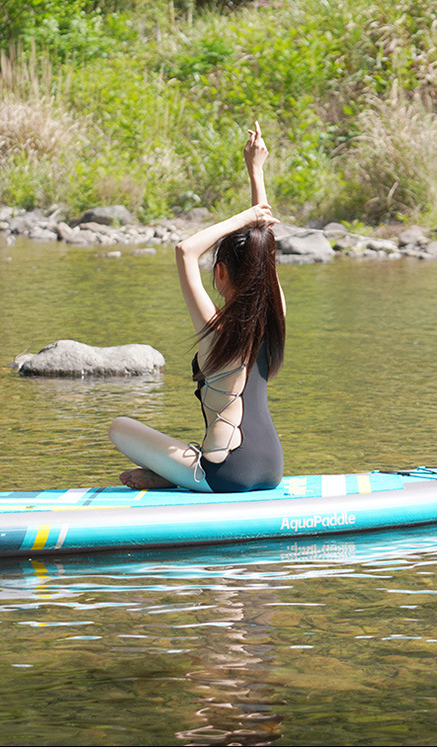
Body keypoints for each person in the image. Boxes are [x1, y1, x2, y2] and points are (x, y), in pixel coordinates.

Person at [109, 122, 286, 492]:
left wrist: (243, 219)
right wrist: (256, 171)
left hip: (226, 473)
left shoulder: (217, 329)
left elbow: (185, 250)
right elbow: (264, 249)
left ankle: (181, 475)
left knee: (119, 427)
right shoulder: (273, 321)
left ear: (220, 272)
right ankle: (173, 472)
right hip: (272, 467)